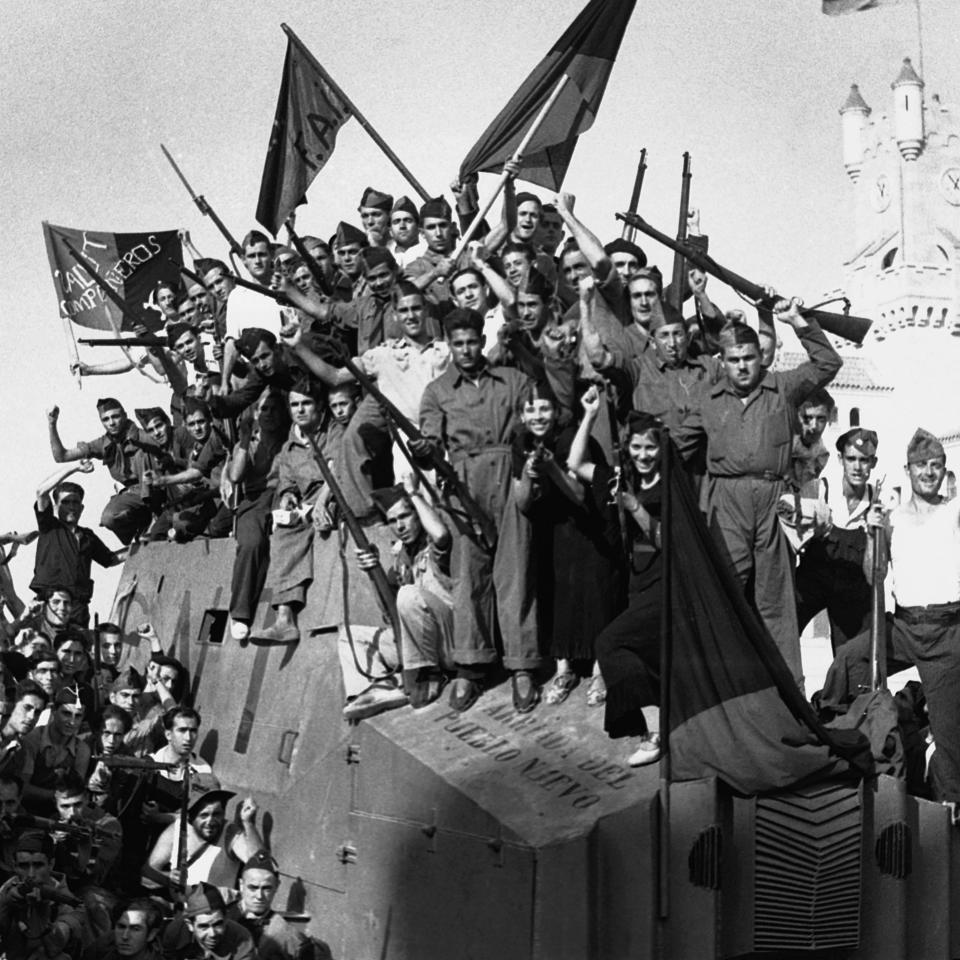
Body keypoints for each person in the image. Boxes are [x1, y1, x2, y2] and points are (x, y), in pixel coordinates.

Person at [673, 298, 843, 686]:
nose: (742, 366)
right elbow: (675, 447)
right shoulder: (708, 401)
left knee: (775, 601)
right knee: (724, 592)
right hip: (726, 501)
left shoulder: (783, 387)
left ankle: (789, 691)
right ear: (723, 360)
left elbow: (828, 364)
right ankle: (722, 686)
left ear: (759, 357)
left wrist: (799, 322)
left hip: (773, 502)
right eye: (733, 360)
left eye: (749, 357)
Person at [820, 429, 960, 808]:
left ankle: (948, 818)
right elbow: (874, 575)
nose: (928, 473)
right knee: (849, 660)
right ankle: (826, 732)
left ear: (945, 471)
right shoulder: (892, 517)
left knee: (950, 738)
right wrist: (873, 535)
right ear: (908, 470)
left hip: (946, 631)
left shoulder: (953, 512)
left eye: (936, 466)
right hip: (902, 626)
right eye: (921, 466)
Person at [418, 308, 541, 711]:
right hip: (462, 483)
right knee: (468, 576)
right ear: (449, 346)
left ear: (480, 340)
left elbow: (533, 427)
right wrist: (426, 452)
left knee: (515, 570)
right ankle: (471, 666)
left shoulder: (513, 381)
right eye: (459, 344)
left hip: (510, 475)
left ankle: (522, 664)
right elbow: (431, 443)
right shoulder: (437, 391)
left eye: (472, 341)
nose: (467, 350)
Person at [526, 385, 626, 707]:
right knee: (558, 593)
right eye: (531, 410)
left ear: (556, 412)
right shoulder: (524, 442)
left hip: (590, 522)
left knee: (596, 591)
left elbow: (578, 493)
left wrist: (549, 467)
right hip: (555, 527)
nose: (538, 416)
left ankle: (600, 669)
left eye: (544, 409)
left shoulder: (571, 437)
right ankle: (564, 667)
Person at [584, 410, 665, 766]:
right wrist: (590, 414)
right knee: (639, 653)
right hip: (639, 582)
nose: (644, 454)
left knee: (608, 642)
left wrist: (633, 506)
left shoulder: (669, 485)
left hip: (664, 584)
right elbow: (576, 464)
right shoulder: (626, 476)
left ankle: (654, 731)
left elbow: (667, 539)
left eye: (650, 447)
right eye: (636, 447)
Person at [255, 379, 340, 644]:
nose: (300, 410)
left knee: (315, 523)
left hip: (335, 491)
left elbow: (338, 468)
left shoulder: (333, 432)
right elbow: (287, 481)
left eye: (306, 403)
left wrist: (323, 502)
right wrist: (288, 496)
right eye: (295, 405)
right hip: (308, 500)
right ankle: (284, 618)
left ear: (319, 407)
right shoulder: (289, 445)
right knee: (284, 532)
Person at [359, 477, 454, 710]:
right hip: (422, 645)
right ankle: (375, 691)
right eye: (392, 520)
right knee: (351, 637)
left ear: (418, 514)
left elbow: (442, 536)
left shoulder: (435, 540)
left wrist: (413, 493)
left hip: (451, 642)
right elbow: (389, 611)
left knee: (409, 594)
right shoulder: (401, 556)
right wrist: (374, 570)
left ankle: (427, 676)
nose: (399, 526)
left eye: (405, 517)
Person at [792, 427, 880, 650]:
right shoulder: (819, 490)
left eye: (864, 460)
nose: (857, 467)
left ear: (873, 462)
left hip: (853, 592)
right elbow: (792, 535)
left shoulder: (878, 503)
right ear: (841, 459)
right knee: (783, 627)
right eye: (851, 459)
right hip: (813, 581)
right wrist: (811, 528)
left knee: (854, 658)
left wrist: (872, 531)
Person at [224, 388, 291, 641]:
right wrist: (243, 439)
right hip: (255, 498)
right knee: (252, 543)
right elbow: (235, 475)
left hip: (286, 491)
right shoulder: (250, 442)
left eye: (275, 408)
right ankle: (240, 613)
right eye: (264, 409)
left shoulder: (291, 436)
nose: (270, 414)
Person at [46, 399, 163, 544]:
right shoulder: (104, 443)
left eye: (115, 416)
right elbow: (61, 456)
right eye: (106, 419)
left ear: (125, 416)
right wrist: (52, 424)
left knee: (143, 454)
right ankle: (141, 525)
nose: (111, 423)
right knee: (109, 518)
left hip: (159, 488)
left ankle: (156, 517)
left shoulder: (145, 436)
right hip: (134, 494)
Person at [29, 463, 124, 625]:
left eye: (75, 502)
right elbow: (41, 491)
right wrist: (75, 468)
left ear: (82, 507)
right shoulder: (49, 526)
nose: (71, 507)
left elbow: (111, 559)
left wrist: (140, 547)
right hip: (50, 605)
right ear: (56, 506)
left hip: (78, 609)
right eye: (66, 502)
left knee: (79, 648)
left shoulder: (88, 536)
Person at [143, 777, 262, 892]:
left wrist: (248, 823)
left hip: (216, 910)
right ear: (191, 815)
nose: (210, 822)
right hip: (182, 909)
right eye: (204, 815)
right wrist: (168, 878)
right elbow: (147, 876)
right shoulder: (177, 829)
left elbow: (261, 864)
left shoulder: (230, 833)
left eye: (217, 814)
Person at [227, 849, 333, 960]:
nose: (259, 896)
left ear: (276, 886)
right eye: (253, 887)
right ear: (241, 884)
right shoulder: (223, 914)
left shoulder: (283, 933)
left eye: (266, 888)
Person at [0, 829, 85, 959]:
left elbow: (54, 947)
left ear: (51, 864)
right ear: (15, 866)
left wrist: (42, 911)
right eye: (24, 866)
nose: (31, 875)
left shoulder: (65, 902)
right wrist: (6, 905)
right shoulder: (6, 890)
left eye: (38, 865)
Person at [20, 685, 91, 815]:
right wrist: (55, 795)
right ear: (53, 711)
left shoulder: (81, 749)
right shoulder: (33, 740)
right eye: (66, 714)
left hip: (63, 810)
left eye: (78, 716)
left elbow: (76, 791)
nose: (72, 722)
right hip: (27, 809)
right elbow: (22, 788)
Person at [161, 882, 256, 959]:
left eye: (218, 924)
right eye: (203, 926)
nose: (212, 934)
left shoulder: (242, 939)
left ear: (226, 919)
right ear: (190, 925)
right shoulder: (174, 932)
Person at [81, 898, 165, 960]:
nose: (125, 936)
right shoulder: (102, 948)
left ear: (151, 935)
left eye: (135, 929)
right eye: (121, 927)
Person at [0, 682, 48, 780]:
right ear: (12, 706)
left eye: (37, 712)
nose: (31, 717)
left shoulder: (22, 751)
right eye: (27, 708)